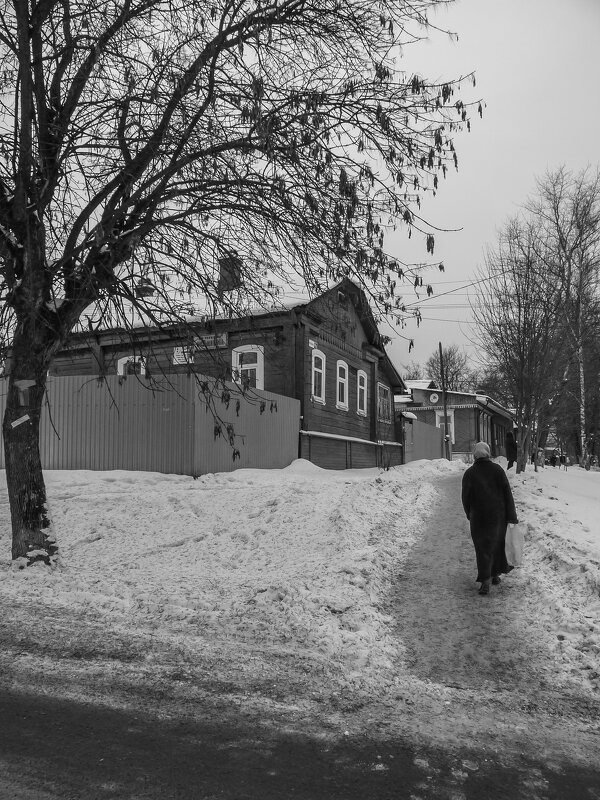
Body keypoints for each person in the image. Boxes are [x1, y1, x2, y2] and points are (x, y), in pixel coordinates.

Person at [461, 441, 519, 596]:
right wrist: (511, 516)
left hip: (479, 518)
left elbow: (465, 498)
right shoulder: (498, 470)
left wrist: (469, 513)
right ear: (488, 453)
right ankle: (495, 575)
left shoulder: (470, 473)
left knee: (482, 549)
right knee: (497, 545)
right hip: (497, 517)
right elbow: (507, 494)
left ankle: (486, 580)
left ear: (475, 454)